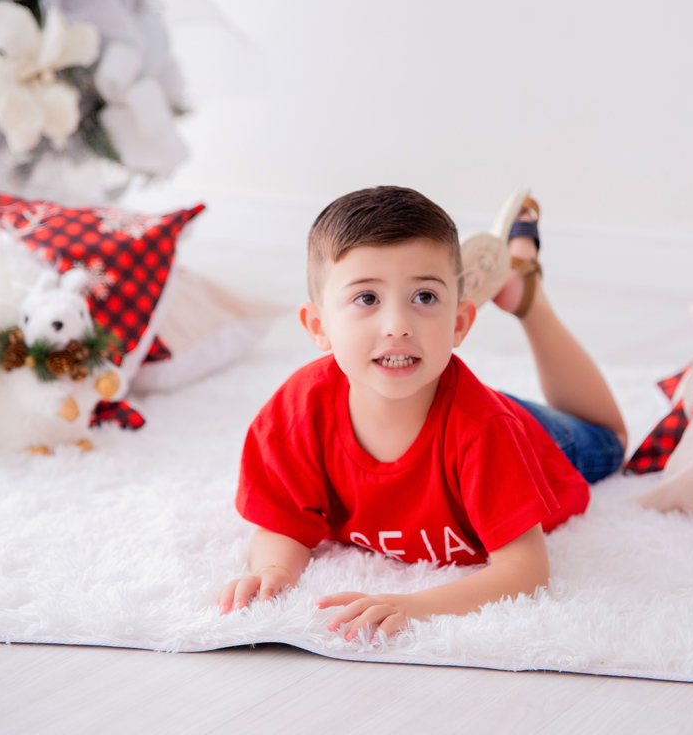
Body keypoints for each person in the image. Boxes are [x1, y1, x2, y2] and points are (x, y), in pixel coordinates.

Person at [216, 186, 627, 639]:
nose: (398, 326)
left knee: (609, 442)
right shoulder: (296, 415)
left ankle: (527, 294)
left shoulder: (486, 432)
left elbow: (526, 570)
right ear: (318, 327)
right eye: (367, 298)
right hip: (453, 397)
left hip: (536, 441)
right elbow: (283, 524)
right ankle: (480, 278)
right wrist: (275, 569)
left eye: (425, 298)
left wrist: (414, 604)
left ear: (459, 325)